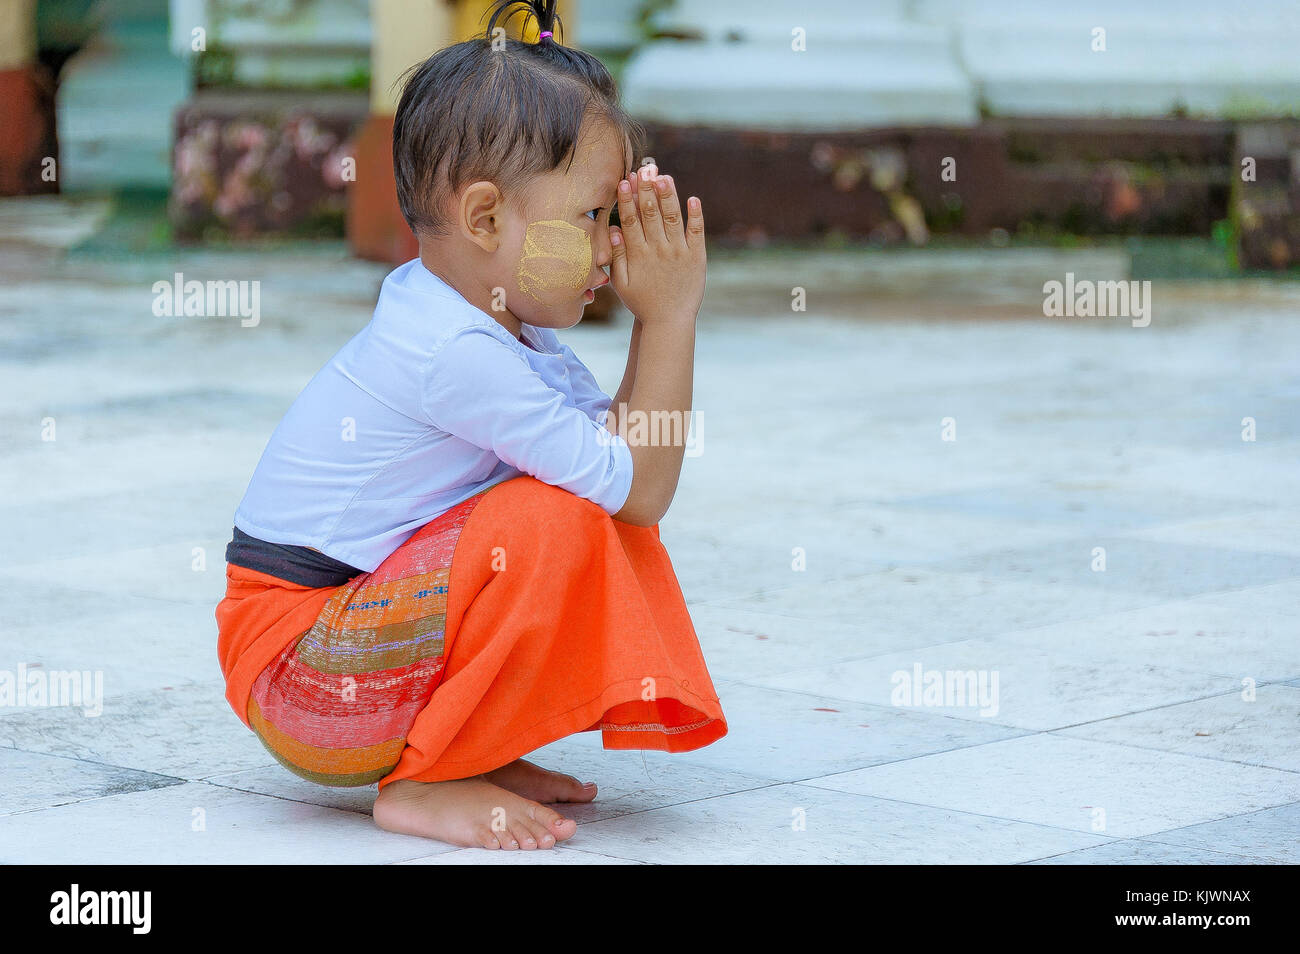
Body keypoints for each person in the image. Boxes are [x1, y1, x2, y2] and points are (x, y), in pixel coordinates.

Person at [214, 0, 726, 850]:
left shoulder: (495, 327)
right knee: (554, 517)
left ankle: (466, 741)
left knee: (578, 503)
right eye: (594, 218)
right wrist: (669, 320)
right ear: (486, 219)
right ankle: (422, 781)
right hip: (301, 674)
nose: (610, 248)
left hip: (336, 654)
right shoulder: (455, 349)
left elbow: (623, 462)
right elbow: (641, 491)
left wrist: (654, 315)